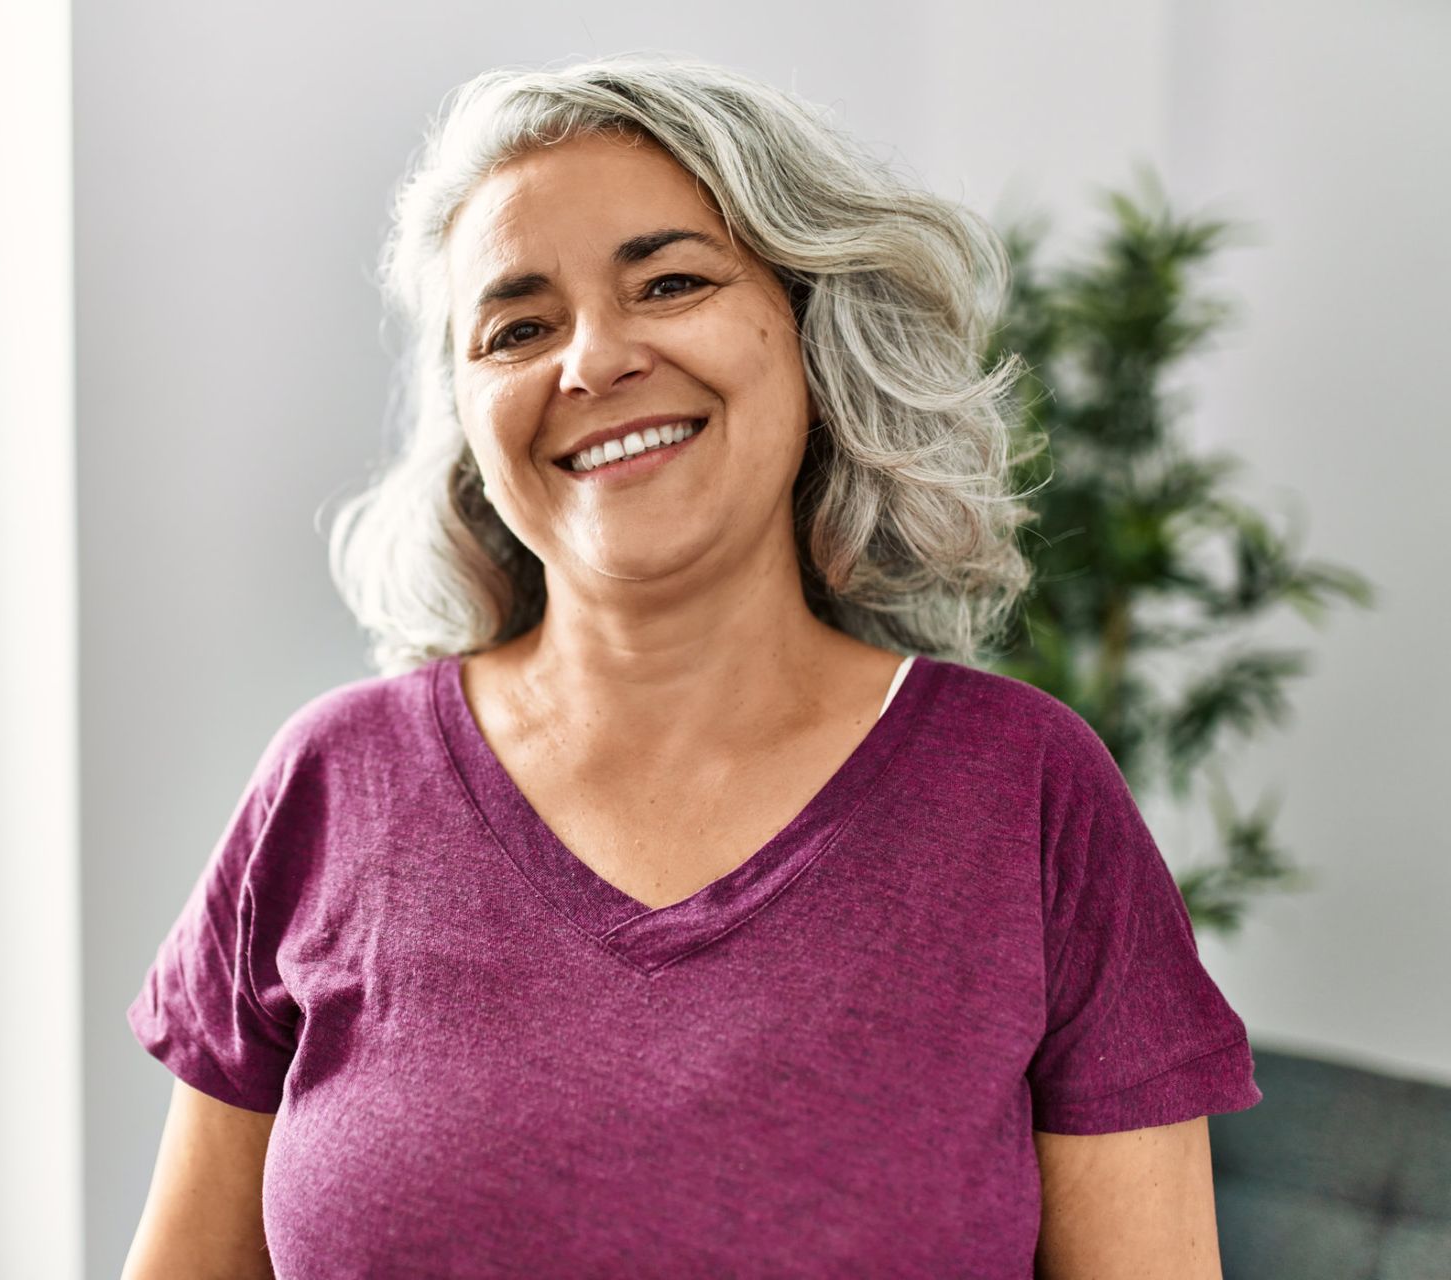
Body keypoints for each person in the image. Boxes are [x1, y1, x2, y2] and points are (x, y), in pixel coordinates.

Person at [121, 52, 1262, 1280]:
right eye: (517, 326)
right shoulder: (331, 782)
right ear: (467, 413)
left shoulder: (1028, 793)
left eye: (668, 281)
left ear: (814, 332)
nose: (593, 359)